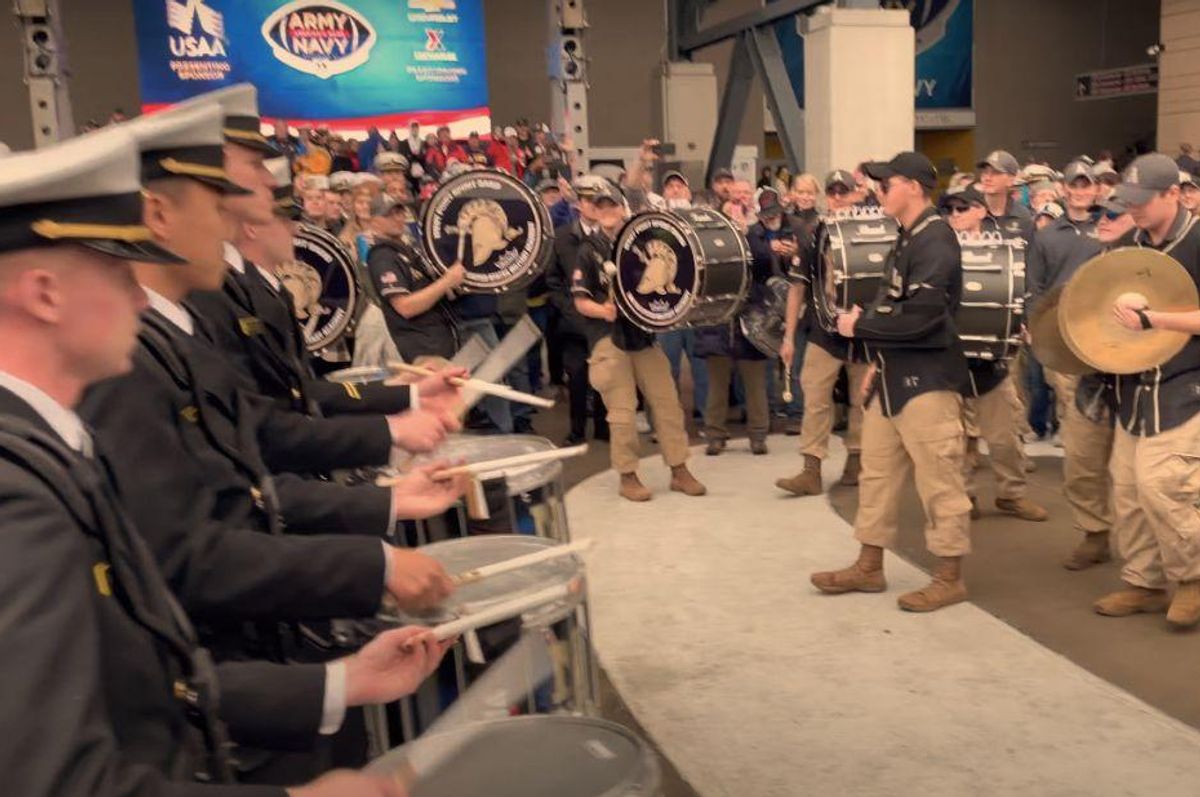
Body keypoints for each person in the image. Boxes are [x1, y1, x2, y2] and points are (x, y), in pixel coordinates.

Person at [0, 122, 450, 797]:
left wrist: (338, 681)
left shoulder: (47, 445)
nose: (136, 296)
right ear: (44, 293)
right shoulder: (18, 493)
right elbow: (61, 777)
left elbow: (146, 673)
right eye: (120, 271)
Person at [810, 151, 973, 612]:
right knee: (877, 475)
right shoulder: (909, 237)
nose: (878, 191)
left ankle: (949, 576)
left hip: (929, 382)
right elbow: (891, 303)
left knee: (940, 481)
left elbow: (921, 317)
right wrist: (877, 366)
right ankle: (868, 565)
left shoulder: (936, 241)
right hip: (894, 376)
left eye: (887, 183)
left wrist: (858, 329)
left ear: (915, 187)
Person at [1099, 153, 1200, 628]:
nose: (1133, 210)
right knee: (1127, 489)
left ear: (1173, 195)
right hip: (1135, 387)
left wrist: (1154, 320)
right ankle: (1143, 582)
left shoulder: (1197, 240)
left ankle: (1193, 579)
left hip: (1185, 385)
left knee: (1164, 486)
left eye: (1142, 201)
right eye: (1128, 201)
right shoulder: (1134, 244)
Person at [570, 176, 706, 501]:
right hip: (608, 338)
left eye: (612, 205)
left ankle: (679, 468)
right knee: (622, 413)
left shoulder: (642, 241)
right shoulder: (588, 252)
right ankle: (628, 475)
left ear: (623, 208)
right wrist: (603, 310)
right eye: (600, 206)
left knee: (667, 404)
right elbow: (579, 301)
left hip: (643, 338)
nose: (606, 211)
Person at [938, 185, 1047, 522]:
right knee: (955, 441)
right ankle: (965, 496)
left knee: (1004, 439)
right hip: (951, 360)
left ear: (981, 210)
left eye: (962, 208)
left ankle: (1011, 495)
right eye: (950, 210)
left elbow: (1021, 291)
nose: (955, 215)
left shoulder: (1006, 250)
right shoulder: (937, 251)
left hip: (994, 359)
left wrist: (1023, 324)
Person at [1025, 160, 1113, 569]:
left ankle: (1137, 537)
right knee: (1080, 448)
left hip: (1117, 346)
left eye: (1088, 184)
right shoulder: (1047, 235)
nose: (1081, 190)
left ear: (1097, 189)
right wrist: (1033, 327)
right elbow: (1035, 290)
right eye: (1074, 183)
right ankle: (1094, 533)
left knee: (1126, 456)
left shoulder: (1115, 227)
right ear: (1063, 188)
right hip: (1067, 348)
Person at [775, 168, 870, 495]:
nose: (838, 198)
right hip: (823, 331)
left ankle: (857, 461)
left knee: (862, 400)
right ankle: (811, 469)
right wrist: (788, 337)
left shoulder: (872, 232)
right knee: (814, 397)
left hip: (863, 332)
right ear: (825, 196)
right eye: (833, 192)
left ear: (855, 194)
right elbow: (797, 287)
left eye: (844, 192)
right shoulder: (813, 233)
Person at [698, 190, 789, 455]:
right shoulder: (707, 241)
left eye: (738, 210)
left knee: (755, 382)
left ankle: (758, 434)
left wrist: (745, 232)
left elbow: (765, 265)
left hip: (752, 320)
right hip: (717, 321)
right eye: (729, 211)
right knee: (717, 383)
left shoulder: (756, 237)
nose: (733, 215)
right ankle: (715, 434)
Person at [546, 177, 610, 445]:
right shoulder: (561, 237)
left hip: (604, 320)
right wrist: (570, 308)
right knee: (577, 378)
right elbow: (553, 280)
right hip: (573, 323)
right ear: (580, 204)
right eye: (589, 201)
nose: (594, 207)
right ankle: (576, 430)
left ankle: (603, 428)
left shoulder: (610, 236)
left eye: (599, 201)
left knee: (604, 378)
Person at [368, 195, 464, 362]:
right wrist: (446, 281)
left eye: (400, 212)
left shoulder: (408, 251)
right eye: (389, 214)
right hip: (421, 351)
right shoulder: (383, 257)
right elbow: (405, 307)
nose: (398, 218)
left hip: (439, 341)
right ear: (374, 222)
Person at [977, 150, 1035, 242]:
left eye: (995, 173)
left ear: (1011, 180)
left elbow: (1030, 253)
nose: (987, 178)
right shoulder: (967, 211)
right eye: (985, 172)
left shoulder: (1022, 216)